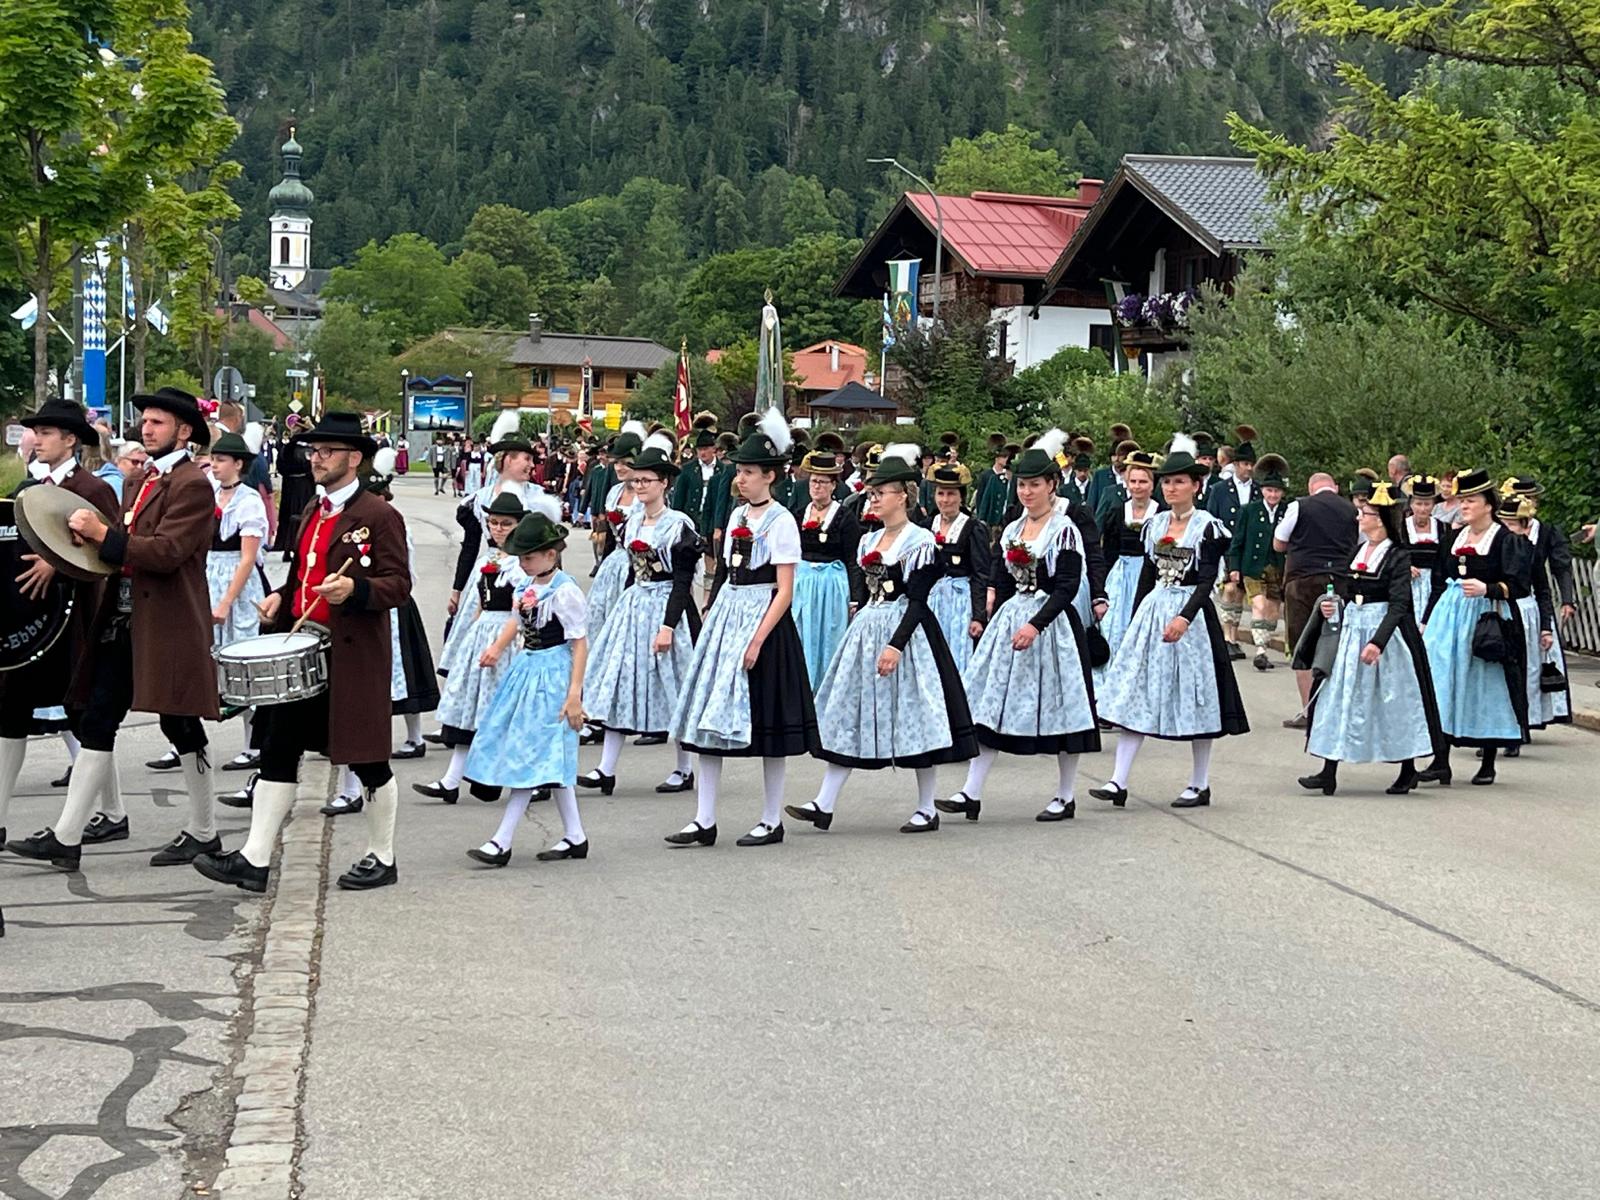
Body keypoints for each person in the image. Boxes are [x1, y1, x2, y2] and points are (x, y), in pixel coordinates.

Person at [194, 411, 413, 893]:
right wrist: (281, 596)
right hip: (301, 652)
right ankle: (254, 859)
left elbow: (399, 584)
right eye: (313, 451)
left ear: (354, 459)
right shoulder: (313, 508)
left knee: (366, 758)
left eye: (327, 451)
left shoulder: (379, 515)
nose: (316, 458)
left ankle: (383, 856)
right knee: (278, 747)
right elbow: (301, 572)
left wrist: (355, 590)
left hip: (351, 655)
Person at [8, 389, 220, 871]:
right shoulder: (140, 479)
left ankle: (205, 831)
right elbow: (122, 547)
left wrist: (105, 536)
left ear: (184, 431)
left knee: (179, 722)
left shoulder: (192, 484)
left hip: (167, 622)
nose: (146, 428)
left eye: (158, 422)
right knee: (98, 718)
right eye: (145, 421)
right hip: (124, 619)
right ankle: (66, 837)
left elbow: (166, 552)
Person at [786, 445, 977, 834]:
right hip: (866, 629)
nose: (873, 499)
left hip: (906, 633)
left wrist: (895, 645)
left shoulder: (920, 541)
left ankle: (927, 807)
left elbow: (918, 602)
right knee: (848, 709)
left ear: (902, 496)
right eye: (871, 493)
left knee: (917, 715)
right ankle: (824, 802)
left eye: (880, 493)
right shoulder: (868, 540)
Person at [666, 409, 819, 848]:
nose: (742, 479)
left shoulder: (782, 521)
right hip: (729, 614)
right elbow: (725, 571)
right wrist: (712, 611)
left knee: (770, 725)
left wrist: (757, 639)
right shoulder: (736, 517)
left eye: (749, 472)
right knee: (707, 718)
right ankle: (704, 818)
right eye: (740, 472)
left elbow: (785, 590)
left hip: (764, 621)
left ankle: (771, 819)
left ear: (770, 476)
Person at [939, 430, 1101, 823]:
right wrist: (992, 614)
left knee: (1064, 710)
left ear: (1052, 485)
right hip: (1013, 620)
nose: (1027, 492)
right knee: (991, 702)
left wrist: (1036, 625)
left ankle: (1065, 796)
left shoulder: (1064, 530)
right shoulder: (1013, 529)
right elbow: (1002, 578)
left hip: (1053, 625)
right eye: (1022, 485)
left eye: (1035, 485)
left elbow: (1066, 587)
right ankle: (971, 791)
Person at [1092, 436, 1250, 809]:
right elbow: (1147, 576)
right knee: (1136, 690)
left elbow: (1206, 580)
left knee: (1197, 694)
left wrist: (1184, 617)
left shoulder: (1207, 527)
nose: (1171, 487)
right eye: (1167, 481)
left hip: (1191, 615)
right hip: (1154, 611)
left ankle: (1199, 783)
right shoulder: (1155, 523)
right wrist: (1135, 621)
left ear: (1196, 486)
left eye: (1179, 481)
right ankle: (1118, 780)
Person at [0, 399, 121, 852]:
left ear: (70, 439)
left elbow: (110, 551)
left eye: (47, 432)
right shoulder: (30, 488)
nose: (38, 440)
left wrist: (58, 563)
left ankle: (113, 813)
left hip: (77, 622)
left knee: (84, 718)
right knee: (10, 712)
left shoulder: (93, 489)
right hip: (31, 624)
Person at [1294, 481, 1442, 795]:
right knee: (1338, 697)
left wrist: (1378, 642)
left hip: (1385, 635)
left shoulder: (1398, 555)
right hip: (1352, 631)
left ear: (1382, 520)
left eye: (1366, 513)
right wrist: (1335, 606)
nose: (1359, 517)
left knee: (1395, 702)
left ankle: (1408, 770)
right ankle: (1328, 770)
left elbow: (1400, 605)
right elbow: (1348, 591)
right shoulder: (1358, 550)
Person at [463, 507, 590, 867]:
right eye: (520, 557)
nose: (523, 563)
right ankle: (576, 836)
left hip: (553, 673)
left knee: (530, 754)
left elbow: (579, 642)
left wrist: (574, 693)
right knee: (544, 755)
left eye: (529, 557)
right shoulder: (526, 585)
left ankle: (501, 840)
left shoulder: (565, 592)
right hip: (527, 668)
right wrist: (496, 648)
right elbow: (517, 622)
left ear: (551, 554)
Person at [579, 432, 702, 796]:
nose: (640, 485)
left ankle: (684, 768)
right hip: (635, 606)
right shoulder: (632, 522)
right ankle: (606, 768)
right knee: (619, 681)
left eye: (647, 480)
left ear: (664, 483)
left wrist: (668, 626)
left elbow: (682, 582)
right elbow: (634, 573)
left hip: (667, 607)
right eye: (637, 480)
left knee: (674, 685)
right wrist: (623, 606)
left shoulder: (678, 525)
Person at [1416, 468, 1532, 787]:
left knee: (1485, 684)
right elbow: (1439, 581)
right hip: (1449, 618)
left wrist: (1488, 589)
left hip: (1487, 618)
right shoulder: (1452, 538)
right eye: (1463, 500)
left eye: (1471, 501)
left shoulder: (1505, 540)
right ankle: (1441, 760)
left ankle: (1488, 762)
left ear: (1488, 505)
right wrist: (1427, 620)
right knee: (1443, 681)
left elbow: (1519, 585)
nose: (1464, 506)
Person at [413, 493, 528, 804]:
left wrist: (500, 646)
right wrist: (472, 637)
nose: (498, 529)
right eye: (494, 523)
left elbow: (521, 614)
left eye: (506, 523)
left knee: (507, 714)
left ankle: (532, 780)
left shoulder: (521, 565)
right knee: (470, 710)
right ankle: (451, 781)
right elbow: (480, 602)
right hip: (483, 634)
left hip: (507, 639)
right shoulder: (488, 561)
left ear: (518, 525)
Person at [206, 426, 270, 771]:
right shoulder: (210, 492)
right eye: (213, 459)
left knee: (244, 664)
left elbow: (247, 559)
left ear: (238, 464)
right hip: (208, 574)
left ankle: (252, 745)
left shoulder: (248, 501)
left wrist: (226, 601)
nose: (214, 465)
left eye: (221, 460)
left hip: (237, 584)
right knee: (203, 662)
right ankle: (185, 740)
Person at [1273, 473, 1359, 728]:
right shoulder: (1352, 510)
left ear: (1311, 488)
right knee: (1337, 641)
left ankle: (1310, 711)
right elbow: (1361, 543)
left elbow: (1278, 543)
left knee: (1303, 643)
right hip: (1341, 579)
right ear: (1335, 488)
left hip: (1303, 580)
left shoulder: (1299, 506)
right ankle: (1337, 709)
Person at [1499, 490, 1571, 739]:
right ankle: (1502, 725)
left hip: (1525, 612)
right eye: (1504, 524)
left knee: (1526, 670)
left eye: (1512, 525)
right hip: (1500, 611)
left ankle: (1522, 724)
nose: (1507, 530)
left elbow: (1542, 591)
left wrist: (1546, 627)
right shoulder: (1496, 550)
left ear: (1524, 526)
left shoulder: (1531, 553)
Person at [791, 441, 863, 687]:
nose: (817, 487)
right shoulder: (799, 514)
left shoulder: (845, 517)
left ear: (833, 485)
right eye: (813, 481)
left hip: (832, 585)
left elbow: (853, 559)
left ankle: (826, 689)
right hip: (802, 584)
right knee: (801, 633)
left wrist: (855, 597)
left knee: (829, 637)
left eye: (822, 482)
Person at [1095, 449, 1161, 687]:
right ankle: (1111, 686)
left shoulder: (1161, 514)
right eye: (1133, 481)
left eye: (1143, 482)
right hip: (1120, 575)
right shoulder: (1117, 512)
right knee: (1113, 628)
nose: (1137, 486)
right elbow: (1108, 552)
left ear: (1152, 484)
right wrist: (1100, 588)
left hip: (1148, 576)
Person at [924, 462, 990, 676]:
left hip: (960, 604)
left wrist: (978, 616)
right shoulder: (925, 526)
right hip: (930, 601)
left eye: (951, 494)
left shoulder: (973, 528)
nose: (945, 500)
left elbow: (981, 574)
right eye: (941, 493)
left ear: (961, 497)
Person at [1225, 453, 1289, 672]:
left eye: (1277, 491)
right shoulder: (1249, 510)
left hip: (1277, 568)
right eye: (1269, 490)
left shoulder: (1287, 511)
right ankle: (1260, 650)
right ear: (1262, 491)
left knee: (1272, 611)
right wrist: (1234, 567)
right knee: (1259, 605)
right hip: (1252, 567)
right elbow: (1238, 541)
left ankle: (1264, 645)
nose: (1273, 495)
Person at [1205, 425, 1261, 660]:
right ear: (1236, 464)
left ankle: (1235, 637)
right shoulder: (1220, 489)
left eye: (1251, 464)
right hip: (1227, 548)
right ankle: (1229, 638)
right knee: (1229, 591)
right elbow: (1211, 518)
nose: (1249, 468)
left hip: (1250, 549)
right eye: (1245, 464)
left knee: (1241, 594)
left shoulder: (1258, 491)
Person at [1399, 475, 1450, 616]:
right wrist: (1405, 567)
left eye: (1427, 504)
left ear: (1433, 505)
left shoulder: (1443, 527)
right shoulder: (1401, 527)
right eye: (1418, 504)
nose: (1422, 509)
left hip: (1436, 584)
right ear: (1411, 504)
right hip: (1408, 585)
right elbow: (1393, 554)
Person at [271, 417, 315, 556]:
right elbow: (281, 465)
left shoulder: (306, 447)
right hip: (295, 485)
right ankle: (288, 544)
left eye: (296, 427)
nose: (293, 430)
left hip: (301, 485)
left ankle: (295, 543)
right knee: (291, 515)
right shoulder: (293, 447)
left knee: (300, 514)